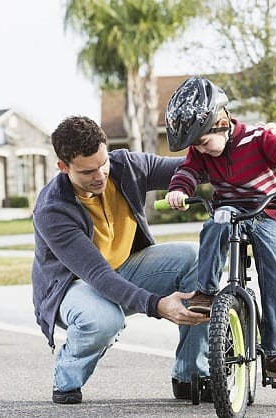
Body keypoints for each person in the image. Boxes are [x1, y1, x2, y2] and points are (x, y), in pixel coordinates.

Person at [32, 115, 211, 404]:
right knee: (104, 319)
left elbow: (193, 169)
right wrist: (157, 305)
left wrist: (249, 146)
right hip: (74, 288)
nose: (101, 175)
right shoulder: (52, 210)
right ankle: (67, 376)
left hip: (127, 270)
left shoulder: (126, 166)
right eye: (88, 171)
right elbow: (99, 276)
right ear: (63, 168)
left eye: (103, 163)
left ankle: (192, 375)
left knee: (197, 257)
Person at [163, 75, 276, 379]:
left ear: (221, 123)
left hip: (267, 211)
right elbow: (188, 171)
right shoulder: (200, 151)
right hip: (230, 209)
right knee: (215, 224)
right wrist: (179, 190)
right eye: (196, 146)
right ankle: (207, 292)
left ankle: (275, 354)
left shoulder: (259, 137)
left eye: (203, 142)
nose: (201, 149)